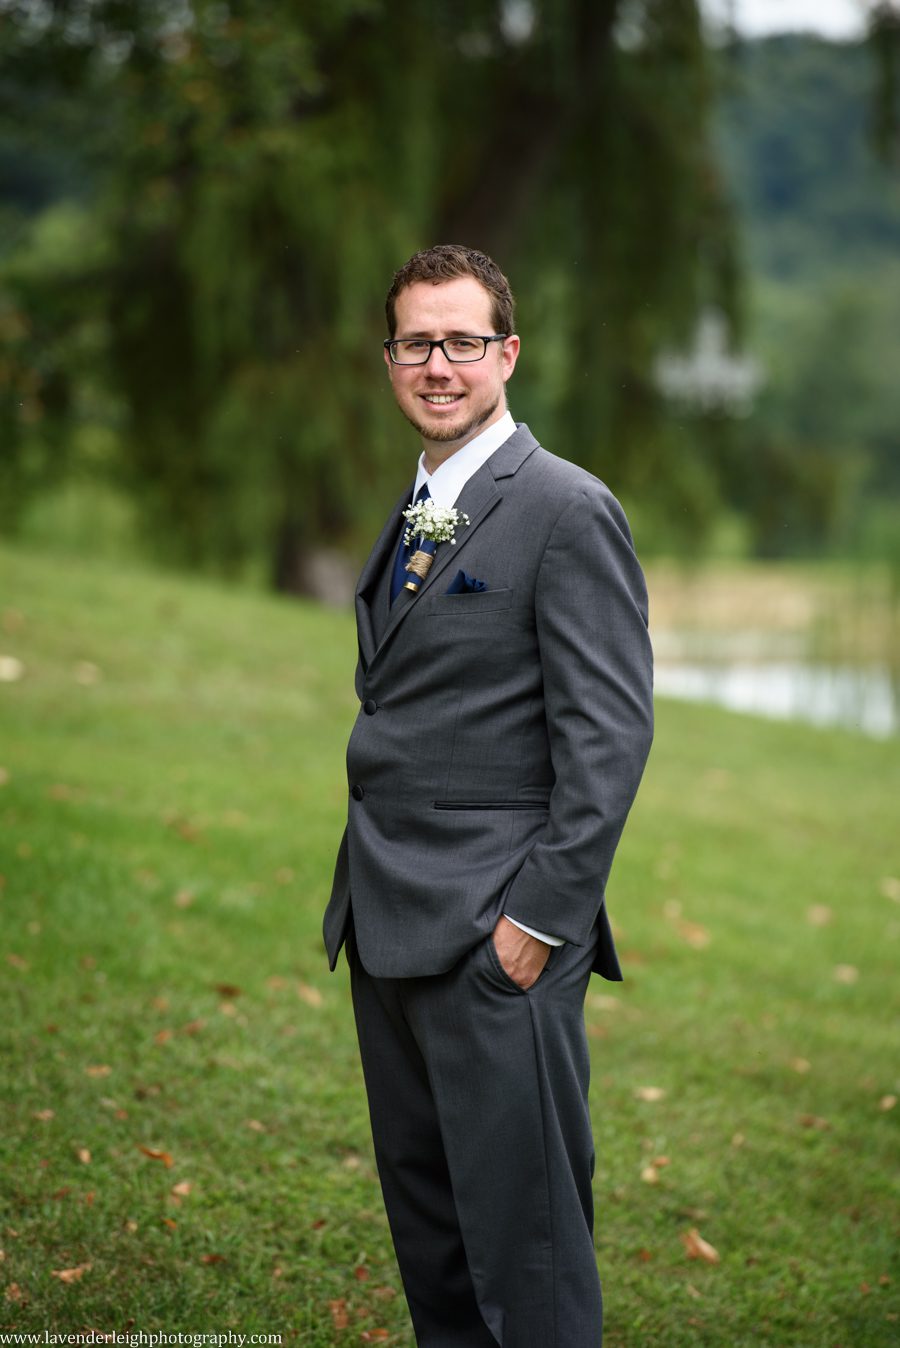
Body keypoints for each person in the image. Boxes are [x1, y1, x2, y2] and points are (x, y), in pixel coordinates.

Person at [323, 243, 654, 1347]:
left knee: (530, 1257)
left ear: (506, 352)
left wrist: (534, 925)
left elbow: (608, 738)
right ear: (389, 359)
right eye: (417, 342)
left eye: (464, 341)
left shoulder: (565, 508)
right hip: (388, 925)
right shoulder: (420, 499)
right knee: (438, 1250)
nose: (439, 364)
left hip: (496, 943)